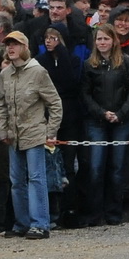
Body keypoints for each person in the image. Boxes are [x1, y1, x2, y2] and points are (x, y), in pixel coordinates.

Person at [0, 30, 62, 240]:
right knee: (16, 181)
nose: (10, 48)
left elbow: (55, 103)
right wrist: (2, 129)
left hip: (34, 132)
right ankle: (21, 222)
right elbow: (1, 104)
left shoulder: (38, 71)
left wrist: (50, 132)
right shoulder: (5, 74)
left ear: (24, 47)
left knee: (36, 178)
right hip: (14, 135)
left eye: (15, 44)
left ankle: (40, 223)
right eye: (8, 45)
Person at [82, 25, 129, 226]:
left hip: (121, 120)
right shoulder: (89, 65)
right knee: (96, 168)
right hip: (97, 121)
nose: (102, 43)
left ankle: (114, 213)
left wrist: (121, 114)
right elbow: (85, 94)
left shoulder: (127, 62)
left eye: (106, 39)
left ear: (113, 40)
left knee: (117, 169)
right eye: (99, 39)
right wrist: (101, 113)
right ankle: (95, 214)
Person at [36, 27, 85, 226]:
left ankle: (70, 209)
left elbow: (72, 82)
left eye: (54, 38)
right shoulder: (40, 61)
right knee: (49, 165)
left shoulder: (72, 60)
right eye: (46, 38)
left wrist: (62, 54)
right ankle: (51, 212)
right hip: (47, 116)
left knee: (68, 165)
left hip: (70, 117)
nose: (49, 41)